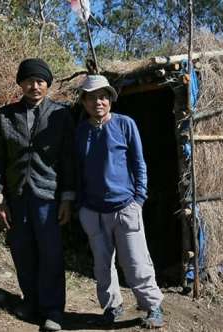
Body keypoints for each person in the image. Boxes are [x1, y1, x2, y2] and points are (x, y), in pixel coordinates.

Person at [0, 58, 75, 332]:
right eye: (28, 81)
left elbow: (69, 160)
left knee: (50, 254)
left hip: (48, 197)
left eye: (39, 81)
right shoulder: (5, 116)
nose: (34, 86)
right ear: (20, 84)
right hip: (16, 196)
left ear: (47, 85)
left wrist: (68, 199)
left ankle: (53, 310)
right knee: (22, 251)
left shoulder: (61, 115)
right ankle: (31, 300)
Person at [75, 75, 165, 329]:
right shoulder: (81, 132)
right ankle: (112, 307)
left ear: (111, 99)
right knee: (102, 265)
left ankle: (153, 306)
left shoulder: (125, 124)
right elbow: (77, 170)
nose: (98, 102)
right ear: (83, 102)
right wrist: (81, 206)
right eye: (91, 97)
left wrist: (139, 199)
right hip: (93, 210)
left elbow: (139, 163)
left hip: (125, 207)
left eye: (103, 96)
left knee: (136, 262)